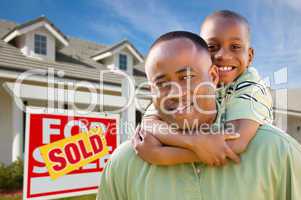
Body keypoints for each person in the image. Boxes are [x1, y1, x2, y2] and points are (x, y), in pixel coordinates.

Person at [97, 31, 301, 200]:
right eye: (161, 83)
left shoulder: (277, 152)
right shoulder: (124, 163)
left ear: (212, 76)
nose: (175, 91)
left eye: (186, 76)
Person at [134, 10, 273, 166]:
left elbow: (233, 143)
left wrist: (161, 155)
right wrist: (193, 141)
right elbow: (149, 123)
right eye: (212, 47)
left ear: (250, 56)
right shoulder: (187, 88)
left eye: (234, 47)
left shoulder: (252, 87)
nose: (222, 55)